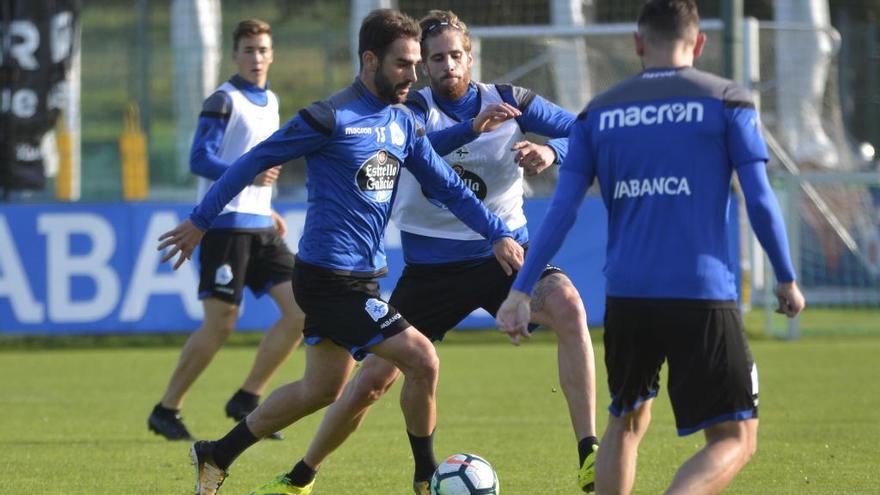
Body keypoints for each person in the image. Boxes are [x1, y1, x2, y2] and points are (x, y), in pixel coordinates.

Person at [157, 9, 524, 495]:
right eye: (402, 65)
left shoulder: (401, 124)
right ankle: (425, 478)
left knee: (322, 390)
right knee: (422, 359)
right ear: (369, 60)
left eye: (415, 65)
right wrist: (201, 221)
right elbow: (253, 160)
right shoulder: (327, 117)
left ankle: (216, 454)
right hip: (330, 279)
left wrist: (497, 232)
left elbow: (451, 188)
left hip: (363, 277)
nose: (413, 77)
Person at [276, 10, 599, 495]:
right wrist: (471, 128)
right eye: (436, 58)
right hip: (431, 270)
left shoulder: (510, 100)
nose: (448, 65)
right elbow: (416, 148)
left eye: (455, 55)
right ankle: (300, 476)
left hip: (504, 256)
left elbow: (583, 131)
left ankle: (589, 455)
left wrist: (552, 152)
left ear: (471, 57)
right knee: (371, 383)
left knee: (571, 307)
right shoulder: (407, 110)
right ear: (423, 66)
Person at [496, 1, 806, 494]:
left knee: (624, 423)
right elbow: (760, 198)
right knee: (735, 437)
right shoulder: (727, 100)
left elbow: (560, 210)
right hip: (700, 293)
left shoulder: (599, 112)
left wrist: (521, 289)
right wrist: (786, 276)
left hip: (626, 296)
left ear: (638, 44)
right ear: (699, 43)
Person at [148, 19, 304, 442]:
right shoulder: (223, 99)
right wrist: (249, 176)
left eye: (263, 50)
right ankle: (167, 409)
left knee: (301, 311)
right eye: (248, 50)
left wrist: (266, 208)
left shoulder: (271, 100)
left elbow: (259, 164)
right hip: (224, 228)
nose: (256, 58)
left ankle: (247, 399)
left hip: (261, 227)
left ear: (272, 55)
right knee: (220, 324)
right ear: (234, 55)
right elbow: (200, 159)